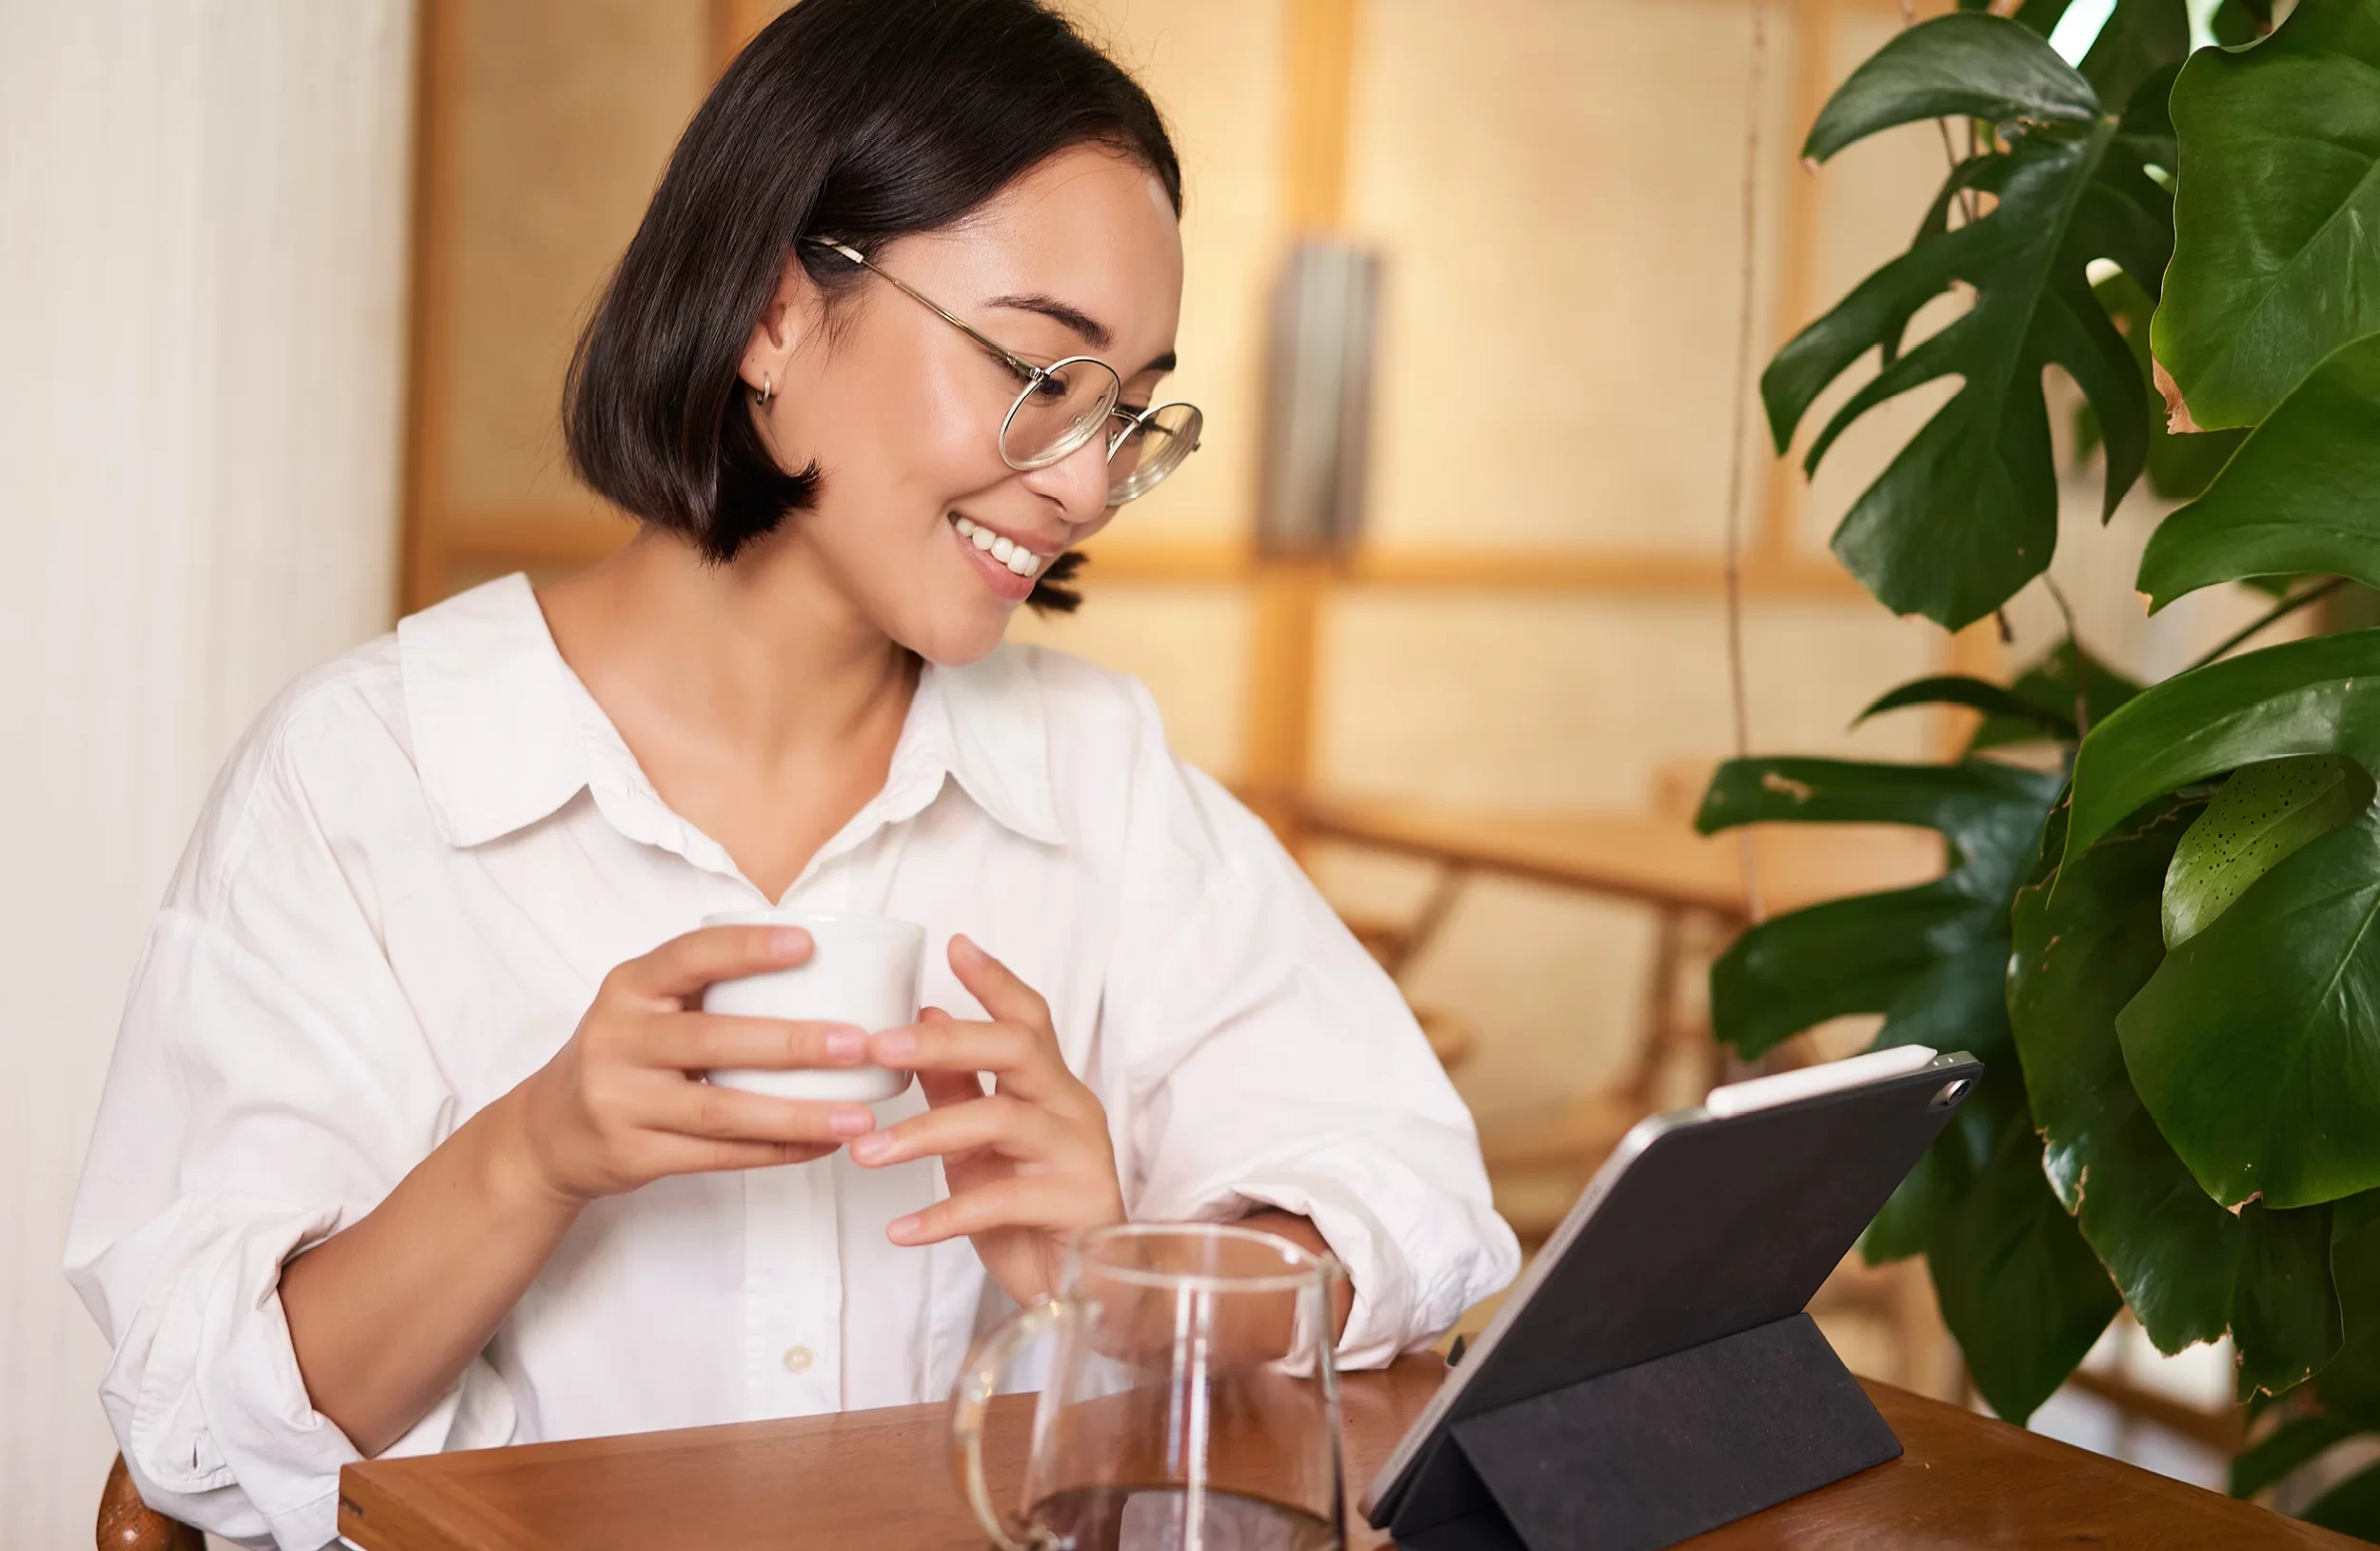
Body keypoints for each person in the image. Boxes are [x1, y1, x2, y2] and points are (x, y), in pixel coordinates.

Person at [64, 2, 1517, 1545]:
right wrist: (531, 1155)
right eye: (1041, 372)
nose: (1089, 483)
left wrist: (1134, 1285)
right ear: (771, 312)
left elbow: (1414, 1203)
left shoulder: (1095, 775)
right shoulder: (367, 777)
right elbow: (194, 1438)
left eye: (1130, 410)